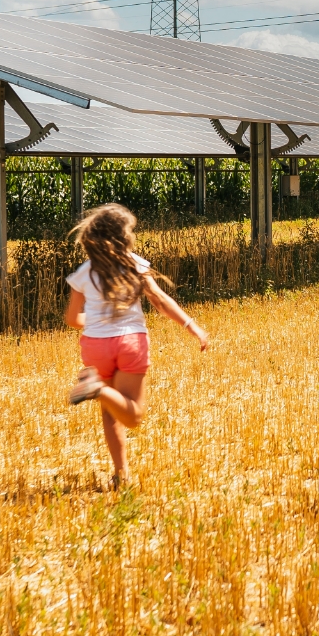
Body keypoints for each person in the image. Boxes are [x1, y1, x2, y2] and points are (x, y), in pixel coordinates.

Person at [63, 203, 210, 489]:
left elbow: (71, 318)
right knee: (133, 415)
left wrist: (96, 322)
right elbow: (160, 301)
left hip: (94, 346)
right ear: (122, 236)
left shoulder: (84, 272)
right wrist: (192, 327)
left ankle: (121, 474)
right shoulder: (134, 264)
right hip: (130, 342)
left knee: (110, 411)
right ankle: (98, 388)